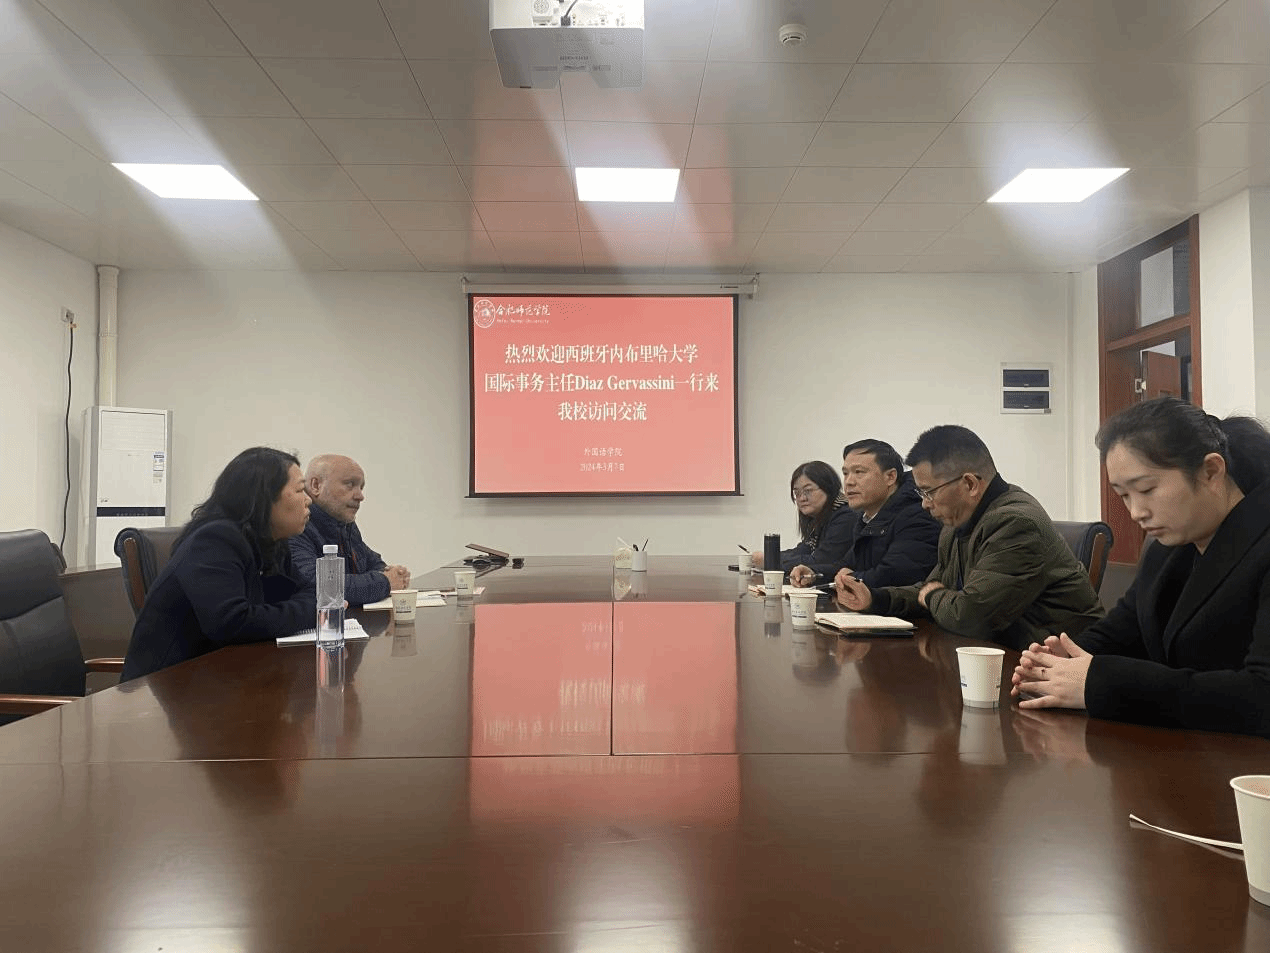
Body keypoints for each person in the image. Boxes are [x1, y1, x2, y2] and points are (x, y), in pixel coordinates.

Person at [1013, 397, 1270, 738]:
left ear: (1211, 471)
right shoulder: (1169, 548)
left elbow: (1261, 696)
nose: (1136, 512)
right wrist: (1062, 660)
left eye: (1147, 489)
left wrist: (1099, 682)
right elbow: (1124, 629)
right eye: (1124, 495)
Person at [836, 425, 1102, 648]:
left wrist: (933, 596)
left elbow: (972, 617)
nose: (924, 504)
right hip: (1004, 653)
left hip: (1064, 662)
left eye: (929, 492)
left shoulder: (1016, 523)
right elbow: (931, 587)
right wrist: (876, 598)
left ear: (970, 484)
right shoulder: (957, 523)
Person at [120, 447, 316, 681]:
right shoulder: (215, 540)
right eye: (300, 490)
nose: (309, 500)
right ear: (263, 497)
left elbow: (308, 591)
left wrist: (308, 607)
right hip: (166, 685)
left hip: (225, 673)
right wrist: (313, 611)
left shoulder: (272, 541)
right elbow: (232, 623)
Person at [789, 439, 939, 588]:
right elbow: (847, 565)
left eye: (859, 472)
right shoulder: (867, 518)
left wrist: (850, 577)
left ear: (890, 477)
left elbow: (894, 576)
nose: (849, 482)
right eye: (846, 473)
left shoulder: (916, 515)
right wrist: (814, 574)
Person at [289, 454, 410, 607]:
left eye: (361, 487)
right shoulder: (295, 525)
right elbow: (318, 585)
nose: (360, 496)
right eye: (350, 484)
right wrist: (385, 582)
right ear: (316, 485)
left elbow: (374, 563)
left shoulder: (344, 524)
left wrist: (393, 576)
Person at [753, 461, 857, 578]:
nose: (802, 498)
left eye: (808, 491)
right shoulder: (820, 517)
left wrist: (771, 560)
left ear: (828, 488)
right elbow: (802, 550)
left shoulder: (845, 516)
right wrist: (769, 556)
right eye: (797, 493)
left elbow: (821, 560)